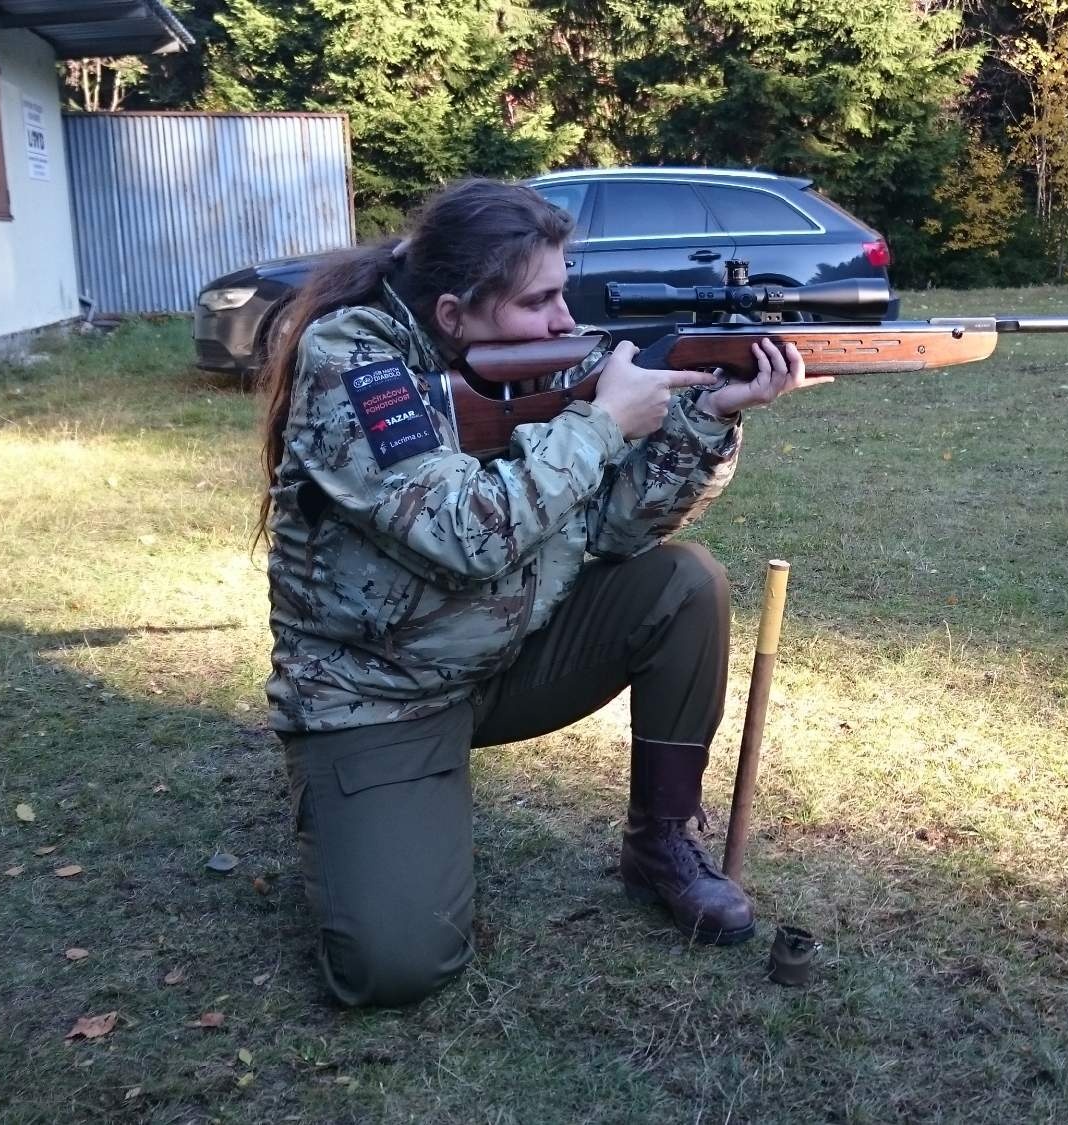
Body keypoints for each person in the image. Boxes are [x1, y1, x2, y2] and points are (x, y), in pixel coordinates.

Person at [256, 178, 832, 1007]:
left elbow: (618, 528)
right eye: (539, 301)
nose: (565, 319)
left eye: (564, 291)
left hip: (507, 654)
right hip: (378, 696)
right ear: (453, 313)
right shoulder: (354, 361)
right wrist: (601, 424)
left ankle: (660, 841)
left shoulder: (552, 357)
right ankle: (364, 800)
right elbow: (462, 532)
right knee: (395, 965)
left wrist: (710, 414)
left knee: (683, 582)